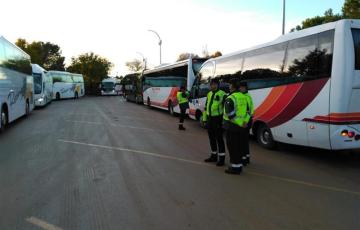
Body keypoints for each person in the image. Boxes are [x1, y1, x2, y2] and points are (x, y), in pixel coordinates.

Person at [223, 80, 250, 175]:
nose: (229, 87)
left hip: (232, 127)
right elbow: (248, 112)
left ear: (233, 87)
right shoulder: (244, 97)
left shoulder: (230, 98)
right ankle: (239, 167)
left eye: (230, 86)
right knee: (238, 147)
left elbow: (230, 115)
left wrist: (239, 123)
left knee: (232, 148)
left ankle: (235, 168)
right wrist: (244, 122)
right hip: (241, 127)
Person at [202, 79, 227, 166]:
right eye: (211, 84)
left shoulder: (223, 94)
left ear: (218, 85)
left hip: (218, 119)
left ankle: (222, 159)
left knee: (219, 139)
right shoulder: (209, 94)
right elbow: (206, 107)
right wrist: (204, 120)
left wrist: (224, 121)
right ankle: (213, 156)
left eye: (215, 84)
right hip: (210, 119)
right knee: (211, 139)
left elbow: (226, 109)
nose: (213, 86)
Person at [240, 82, 254, 166]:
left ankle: (244, 160)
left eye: (242, 87)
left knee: (243, 141)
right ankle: (246, 158)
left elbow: (249, 112)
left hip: (246, 122)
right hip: (246, 121)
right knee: (245, 141)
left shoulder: (246, 97)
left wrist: (244, 122)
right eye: (240, 87)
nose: (240, 89)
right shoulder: (247, 96)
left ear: (245, 88)